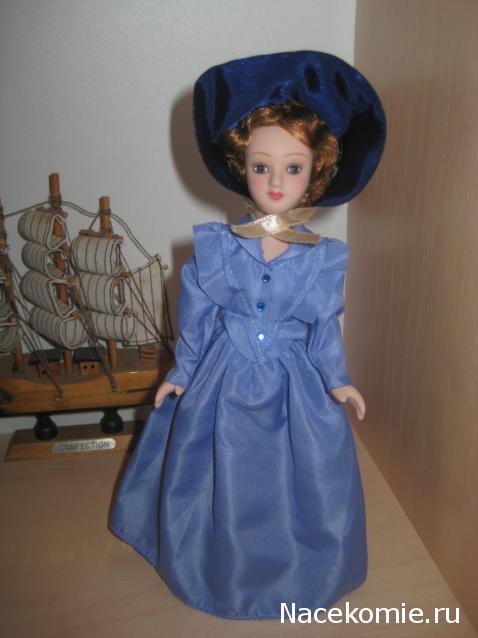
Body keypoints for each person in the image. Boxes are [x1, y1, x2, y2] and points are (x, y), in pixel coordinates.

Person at [110, 51, 386, 620]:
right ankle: (213, 564)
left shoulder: (323, 258)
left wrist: (338, 381)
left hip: (293, 383)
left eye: (293, 167)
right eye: (262, 167)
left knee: (305, 473)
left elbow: (324, 326)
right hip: (224, 377)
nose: (276, 181)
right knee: (214, 467)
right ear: (242, 166)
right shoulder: (216, 248)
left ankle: (302, 567)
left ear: (317, 171)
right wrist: (181, 373)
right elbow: (196, 318)